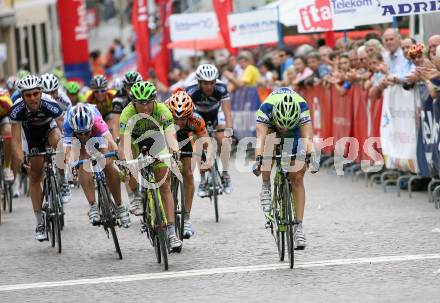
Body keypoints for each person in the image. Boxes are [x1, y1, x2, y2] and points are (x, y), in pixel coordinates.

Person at [118, 81, 183, 251]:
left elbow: (170, 135)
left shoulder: (162, 110)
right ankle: (137, 198)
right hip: (134, 142)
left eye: (148, 102)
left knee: (165, 185)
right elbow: (124, 144)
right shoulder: (127, 113)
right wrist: (125, 162)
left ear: (154, 100)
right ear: (134, 102)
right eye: (141, 102)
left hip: (155, 140)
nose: (145, 107)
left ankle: (171, 232)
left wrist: (174, 151)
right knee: (129, 160)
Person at [254, 87, 315, 250]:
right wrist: (258, 160)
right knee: (268, 145)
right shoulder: (266, 109)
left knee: (297, 177)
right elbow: (259, 140)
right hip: (271, 128)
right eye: (283, 127)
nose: (284, 131)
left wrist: (311, 157)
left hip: (295, 129)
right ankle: (266, 186)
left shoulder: (302, 108)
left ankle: (299, 227)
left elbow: (307, 139)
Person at [10, 75, 64, 241]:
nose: (32, 98)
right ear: (22, 96)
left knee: (59, 142)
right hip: (32, 137)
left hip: (49, 129)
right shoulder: (17, 109)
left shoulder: (51, 104)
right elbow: (16, 140)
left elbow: (64, 131)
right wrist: (21, 161)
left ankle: (62, 179)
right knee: (35, 175)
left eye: (35, 94)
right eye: (28, 95)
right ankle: (40, 222)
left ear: (41, 92)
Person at [64, 103, 130, 227]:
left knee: (107, 162)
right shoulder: (68, 124)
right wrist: (69, 165)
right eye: (80, 133)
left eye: (86, 133)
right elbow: (67, 151)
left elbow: (110, 141)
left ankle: (120, 205)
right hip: (76, 140)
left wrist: (118, 156)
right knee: (83, 161)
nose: (83, 136)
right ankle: (93, 206)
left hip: (97, 134)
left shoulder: (96, 120)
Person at [167, 90, 212, 238]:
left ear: (190, 114)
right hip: (165, 137)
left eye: (183, 119)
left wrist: (208, 160)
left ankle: (186, 219)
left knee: (188, 173)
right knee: (163, 172)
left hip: (183, 139)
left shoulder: (196, 120)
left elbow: (206, 143)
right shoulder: (163, 114)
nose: (179, 122)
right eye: (176, 119)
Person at [186, 64, 234, 196]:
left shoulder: (222, 88)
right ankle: (202, 180)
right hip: (198, 114)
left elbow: (227, 112)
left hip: (216, 112)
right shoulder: (190, 90)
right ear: (199, 82)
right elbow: (187, 115)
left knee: (223, 139)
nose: (209, 86)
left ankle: (225, 175)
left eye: (212, 83)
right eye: (206, 83)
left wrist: (229, 131)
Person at [0, 89, 14, 182]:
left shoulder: (5, 101)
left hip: (3, 116)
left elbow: (13, 117)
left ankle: (7, 166)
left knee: (8, 132)